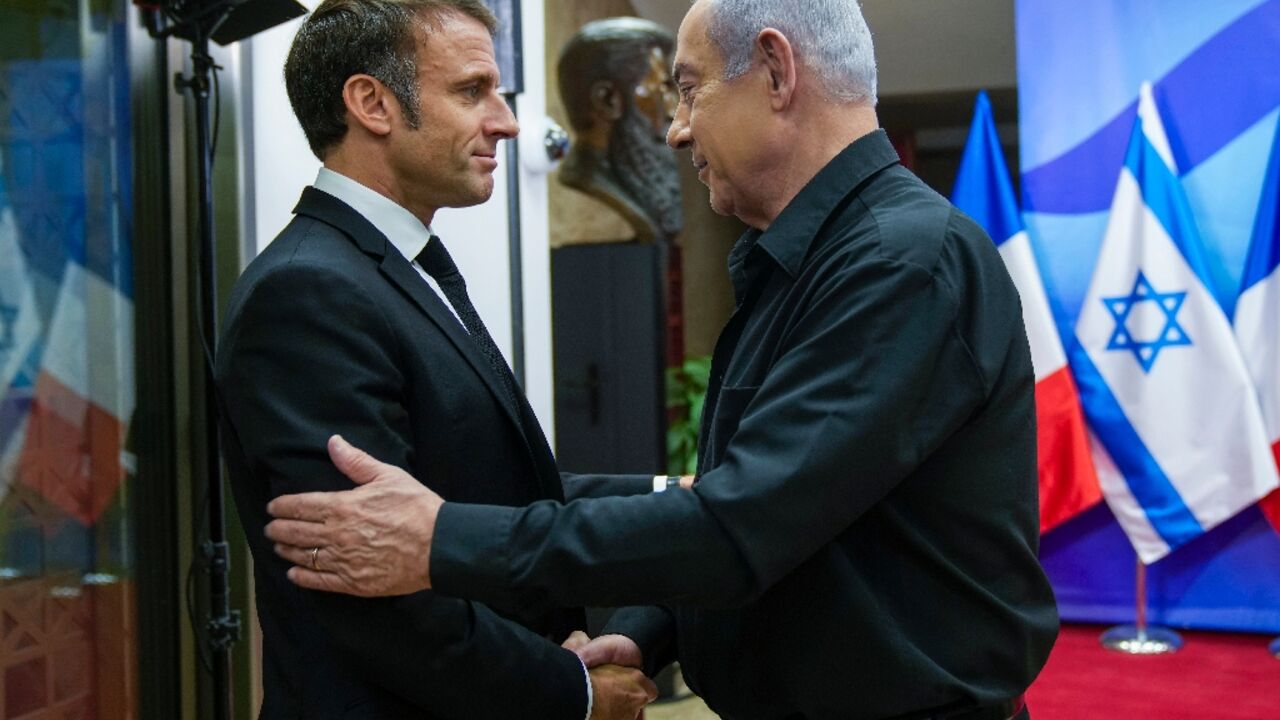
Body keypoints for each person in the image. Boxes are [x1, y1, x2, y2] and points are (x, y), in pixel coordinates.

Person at [264, 1, 1060, 718]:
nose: (677, 128)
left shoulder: (900, 262)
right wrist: (648, 630)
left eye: (688, 88)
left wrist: (440, 540)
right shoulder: (807, 260)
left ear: (777, 71)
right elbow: (778, 515)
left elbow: (739, 525)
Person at [214, 0, 656, 717]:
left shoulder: (391, 265)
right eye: (471, 90)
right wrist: (572, 692)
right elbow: (371, 591)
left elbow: (490, 490)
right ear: (371, 103)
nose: (507, 121)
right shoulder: (307, 292)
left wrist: (689, 496)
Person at [556, 17, 683, 244]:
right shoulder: (589, 178)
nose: (673, 111)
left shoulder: (635, 178)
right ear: (607, 101)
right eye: (661, 90)